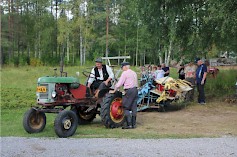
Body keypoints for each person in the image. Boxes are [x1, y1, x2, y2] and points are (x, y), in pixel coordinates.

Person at [109, 62, 138, 129]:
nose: (122, 69)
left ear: (125, 67)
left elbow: (119, 83)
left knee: (125, 107)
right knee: (134, 107)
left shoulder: (125, 73)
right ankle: (134, 124)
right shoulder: (134, 73)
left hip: (129, 91)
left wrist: (114, 90)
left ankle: (129, 124)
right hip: (135, 90)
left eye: (122, 67)